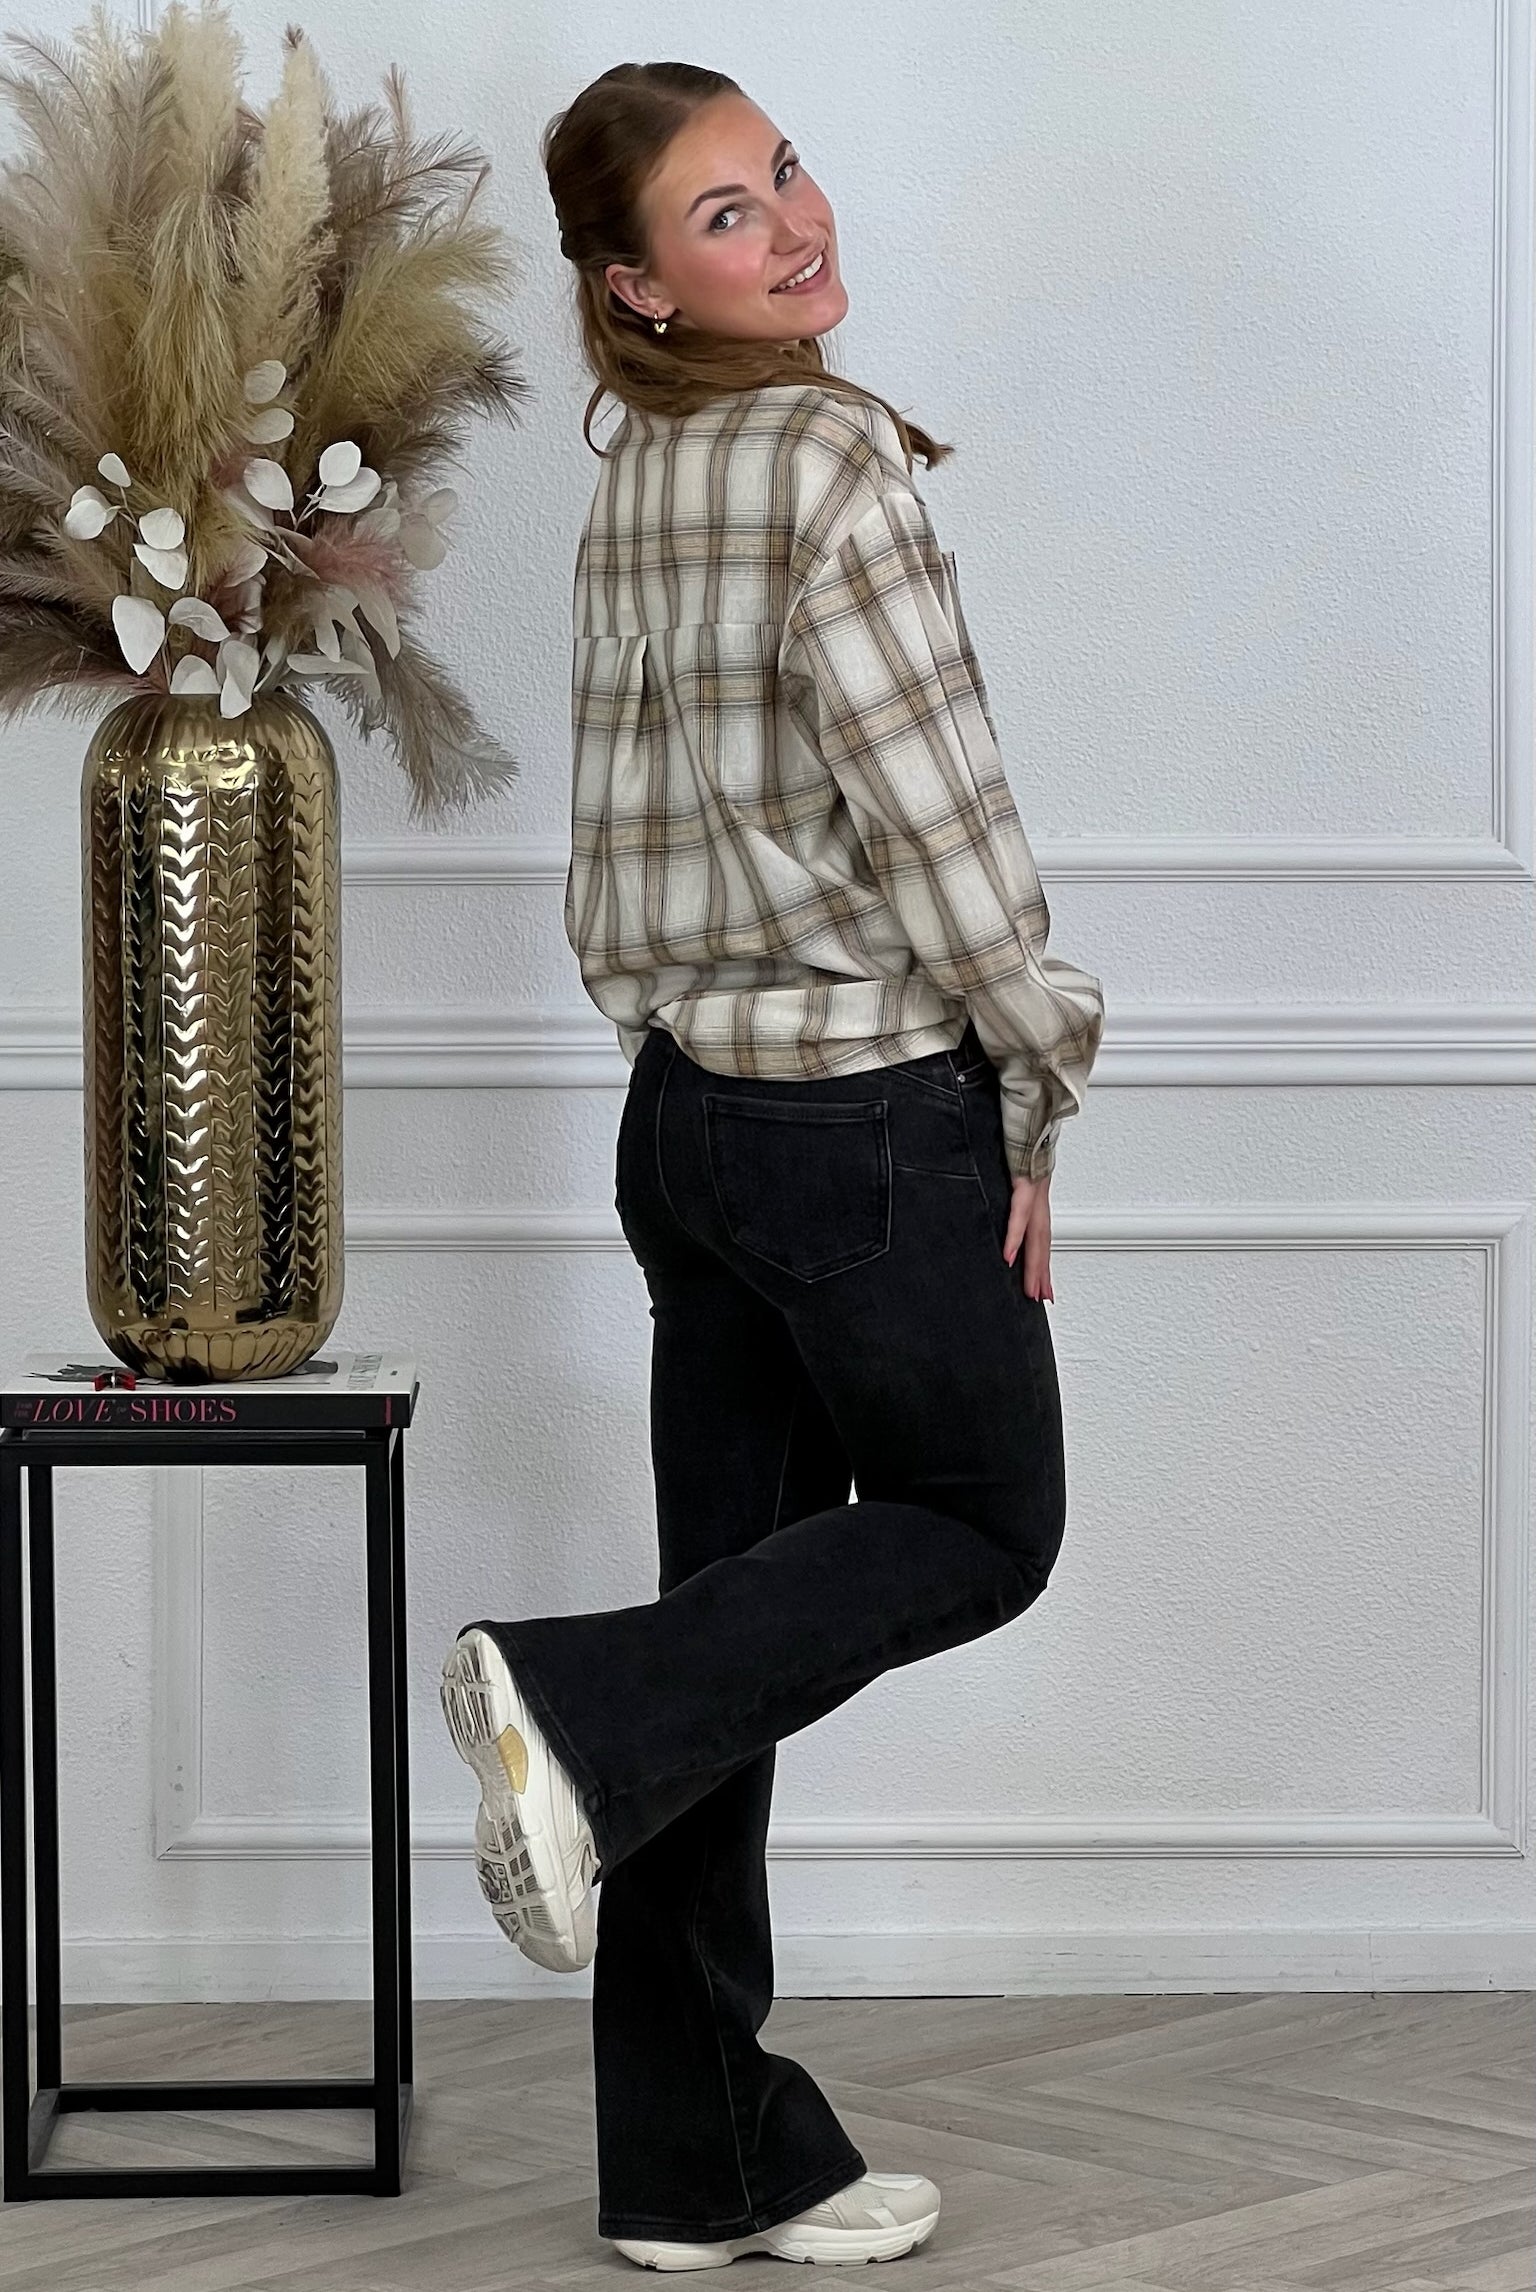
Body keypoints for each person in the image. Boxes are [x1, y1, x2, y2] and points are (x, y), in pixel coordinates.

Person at [439, 60, 1106, 2273]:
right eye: (727, 214)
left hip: (688, 1121)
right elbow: (946, 828)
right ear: (640, 283)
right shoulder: (827, 461)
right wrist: (1035, 1077)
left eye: (784, 170)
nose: (795, 222)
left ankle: (694, 2157)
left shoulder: (642, 474)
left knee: (731, 1620)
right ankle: (574, 1702)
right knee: (985, 1524)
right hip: (864, 1119)